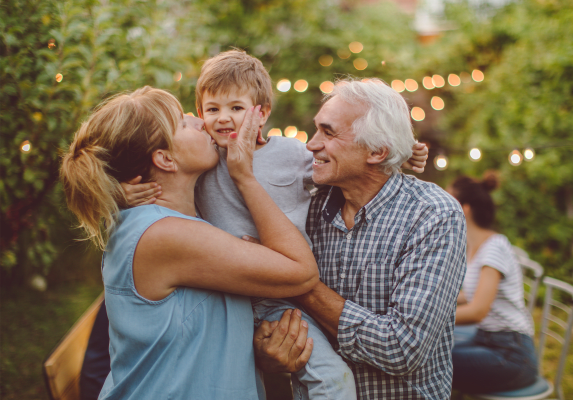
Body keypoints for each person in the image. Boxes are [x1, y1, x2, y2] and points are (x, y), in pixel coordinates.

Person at [119, 50, 429, 400]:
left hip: (281, 297)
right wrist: (122, 190)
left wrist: (402, 153)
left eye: (236, 108)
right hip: (231, 291)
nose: (223, 119)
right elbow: (149, 173)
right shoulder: (204, 160)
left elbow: (347, 166)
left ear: (261, 112)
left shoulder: (290, 155)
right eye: (212, 110)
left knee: (333, 379)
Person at [61, 86, 320, 400]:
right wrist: (244, 176)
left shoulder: (156, 222)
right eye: (183, 123)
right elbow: (301, 271)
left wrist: (260, 350)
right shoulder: (165, 235)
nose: (199, 122)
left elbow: (193, 334)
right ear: (166, 159)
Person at [253, 78, 467, 400]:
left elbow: (402, 348)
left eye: (328, 132)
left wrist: (292, 276)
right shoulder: (305, 205)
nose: (311, 144)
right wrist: (267, 349)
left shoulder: (433, 215)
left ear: (378, 151)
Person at [448, 173, 538, 393]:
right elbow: (470, 295)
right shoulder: (476, 247)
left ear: (464, 209)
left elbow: (478, 310)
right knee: (432, 353)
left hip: (511, 354)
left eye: (447, 200)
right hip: (488, 341)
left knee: (429, 362)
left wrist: (426, 317)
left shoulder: (494, 247)